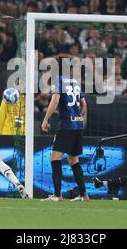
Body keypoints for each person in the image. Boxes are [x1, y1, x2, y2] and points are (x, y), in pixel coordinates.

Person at [41, 66, 88, 201]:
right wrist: (79, 117)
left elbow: (55, 100)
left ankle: (57, 195)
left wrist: (45, 119)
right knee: (73, 159)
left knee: (55, 157)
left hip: (67, 125)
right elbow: (84, 104)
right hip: (78, 125)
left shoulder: (58, 80)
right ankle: (84, 195)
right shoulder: (74, 82)